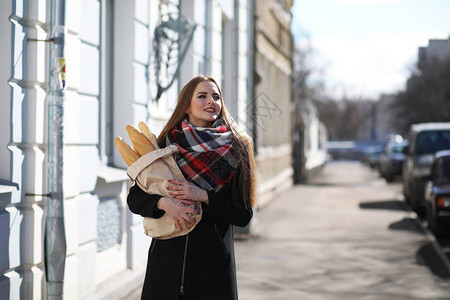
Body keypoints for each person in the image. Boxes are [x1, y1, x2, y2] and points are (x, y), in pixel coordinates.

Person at [127, 75, 257, 300]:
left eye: (216, 97)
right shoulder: (166, 144)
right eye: (202, 96)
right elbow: (135, 198)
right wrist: (165, 203)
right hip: (166, 267)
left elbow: (243, 214)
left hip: (213, 271)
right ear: (186, 105)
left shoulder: (237, 148)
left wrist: (203, 196)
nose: (211, 101)